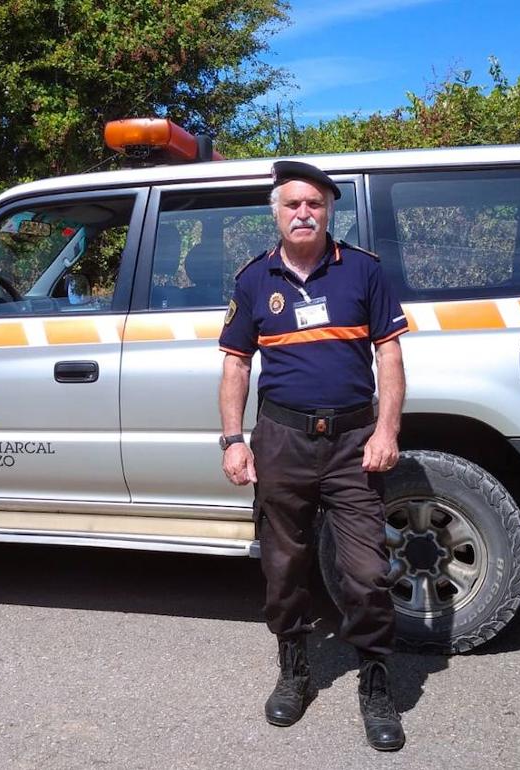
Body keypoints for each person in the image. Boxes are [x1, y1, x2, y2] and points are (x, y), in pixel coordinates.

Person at [217, 160, 408, 751]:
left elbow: (390, 355)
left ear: (329, 211)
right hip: (282, 440)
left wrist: (386, 431)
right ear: (276, 213)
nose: (303, 213)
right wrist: (233, 439)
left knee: (368, 573)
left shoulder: (364, 271)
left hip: (353, 442)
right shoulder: (254, 279)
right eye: (292, 204)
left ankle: (376, 684)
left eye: (314, 204)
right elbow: (236, 364)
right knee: (283, 565)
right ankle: (294, 671)